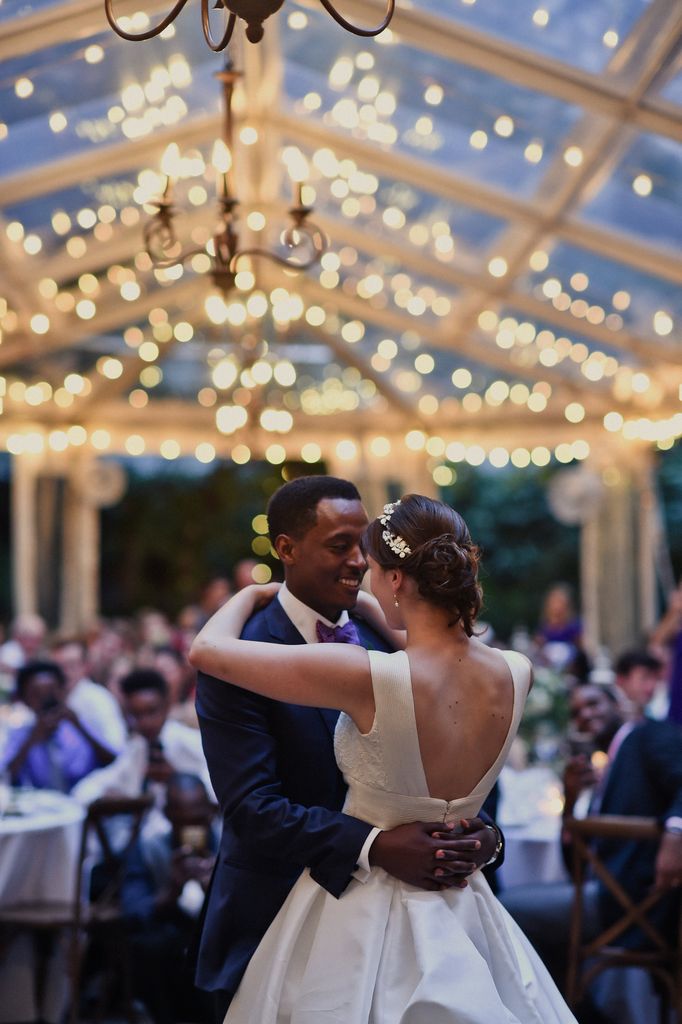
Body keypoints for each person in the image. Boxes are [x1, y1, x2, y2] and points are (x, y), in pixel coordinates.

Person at [191, 492, 577, 1023]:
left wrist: (250, 593)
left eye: (368, 559)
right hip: (416, 908)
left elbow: (205, 651)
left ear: (395, 578)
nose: (357, 567)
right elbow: (251, 806)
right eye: (341, 546)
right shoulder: (516, 669)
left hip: (359, 917)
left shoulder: (369, 664)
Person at [501, 681, 682, 1002]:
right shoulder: (611, 762)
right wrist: (570, 800)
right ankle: (573, 1008)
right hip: (611, 894)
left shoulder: (646, 735)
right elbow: (577, 867)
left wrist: (676, 833)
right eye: (576, 712)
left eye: (594, 704)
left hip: (638, 900)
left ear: (618, 704)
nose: (585, 715)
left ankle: (564, 1011)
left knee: (505, 910)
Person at [120, 773, 217, 1024]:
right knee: (149, 947)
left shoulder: (230, 843)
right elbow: (132, 911)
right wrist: (171, 891)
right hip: (170, 936)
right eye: (183, 822)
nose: (192, 829)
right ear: (167, 815)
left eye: (199, 820)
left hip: (216, 935)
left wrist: (216, 890)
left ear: (211, 812)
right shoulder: (149, 845)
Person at [72, 668, 213, 816]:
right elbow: (99, 783)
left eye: (151, 712)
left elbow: (219, 786)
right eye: (137, 715)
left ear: (166, 706)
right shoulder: (137, 748)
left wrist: (178, 779)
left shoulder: (188, 741)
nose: (145, 722)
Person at [0, 660, 117, 791]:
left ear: (63, 692)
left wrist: (79, 726)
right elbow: (6, 776)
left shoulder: (80, 724)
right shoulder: (20, 733)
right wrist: (32, 739)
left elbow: (114, 763)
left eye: (51, 692)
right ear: (24, 699)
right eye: (36, 694)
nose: (45, 700)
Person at [50, 636, 128, 753]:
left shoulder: (98, 699)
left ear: (86, 667)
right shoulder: (53, 697)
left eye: (71, 665)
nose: (64, 672)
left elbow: (116, 746)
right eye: (59, 666)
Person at [612, 648, 663, 722]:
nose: (652, 686)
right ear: (621, 680)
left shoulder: (654, 716)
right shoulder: (604, 716)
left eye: (656, 678)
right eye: (645, 677)